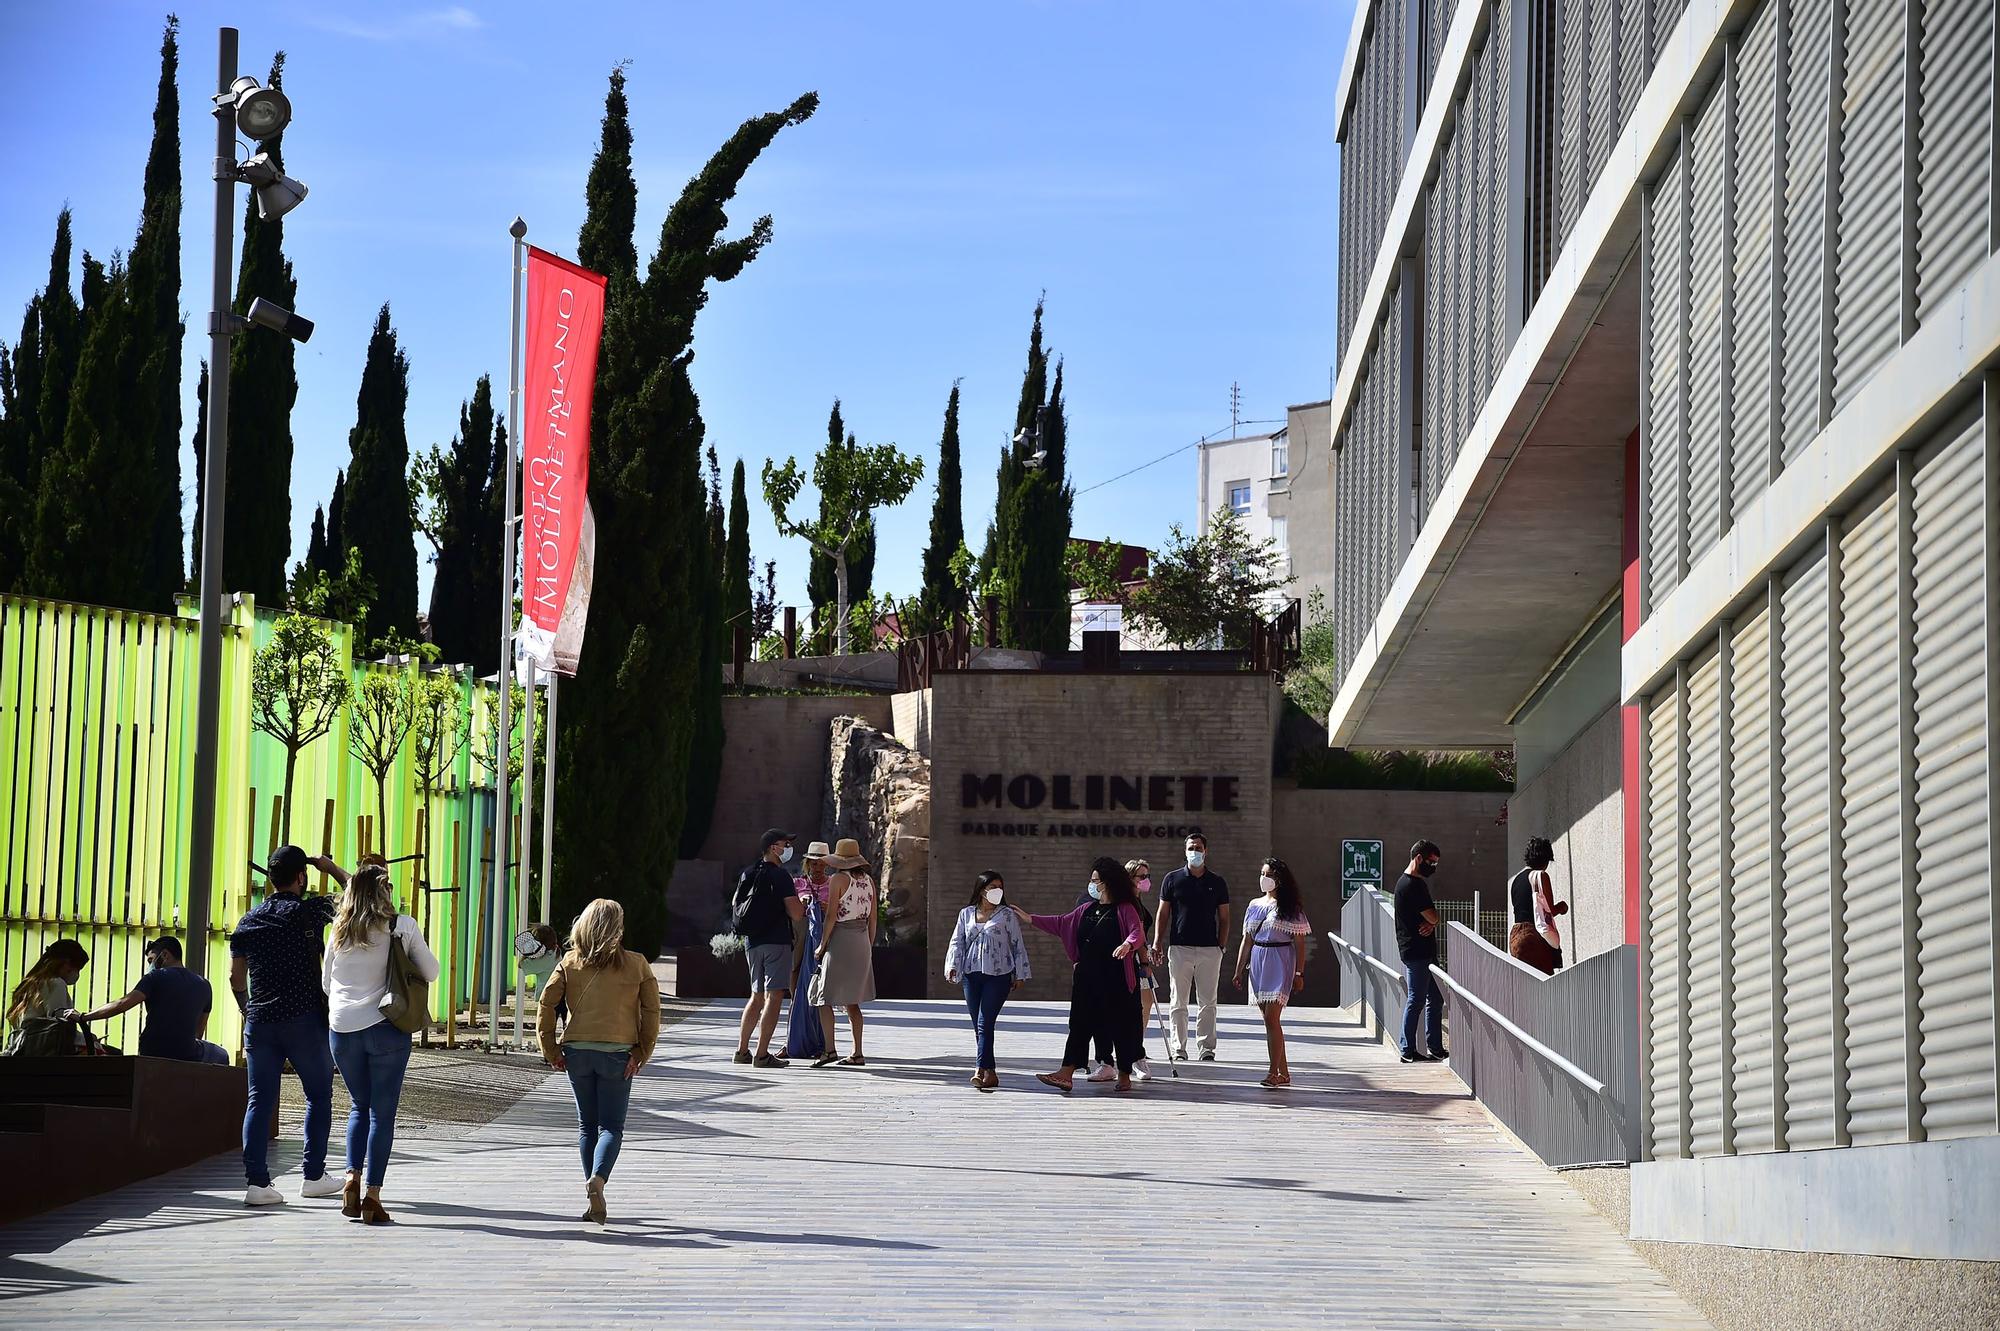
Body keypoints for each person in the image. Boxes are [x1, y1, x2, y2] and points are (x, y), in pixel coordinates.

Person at [322, 863, 441, 1225]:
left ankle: (350, 1179)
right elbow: (432, 971)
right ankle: (373, 1194)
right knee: (382, 1113)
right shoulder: (400, 926)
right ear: (384, 890)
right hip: (386, 1027)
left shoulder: (338, 931)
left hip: (341, 1030)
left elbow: (327, 982)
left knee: (359, 1105)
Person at [231, 845, 346, 1207]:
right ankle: (312, 1176)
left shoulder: (248, 921)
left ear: (270, 878)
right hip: (304, 1020)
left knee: (258, 1101)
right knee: (318, 1095)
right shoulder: (309, 911)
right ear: (301, 877)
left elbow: (235, 978)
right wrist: (330, 867)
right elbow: (356, 897)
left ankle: (258, 1184)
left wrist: (247, 1012)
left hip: (261, 1021)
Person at [537, 898, 660, 1225]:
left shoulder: (569, 963)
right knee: (612, 1127)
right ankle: (599, 1181)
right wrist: (641, 1052)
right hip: (618, 1054)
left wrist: (550, 1049)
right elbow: (651, 1011)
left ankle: (592, 1196)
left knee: (586, 1126)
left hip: (577, 1052)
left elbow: (546, 1005)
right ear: (617, 929)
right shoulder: (637, 964)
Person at [1019, 857, 1148, 1094]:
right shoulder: (1086, 909)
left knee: (1121, 1026)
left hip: (1116, 978)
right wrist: (1030, 919)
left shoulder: (1125, 908)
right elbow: (1060, 923)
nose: (1092, 884)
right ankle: (1066, 1073)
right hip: (1087, 977)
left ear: (1106, 882)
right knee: (1079, 1025)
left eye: (1095, 880)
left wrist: (1127, 946)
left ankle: (1124, 1074)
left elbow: (1136, 932)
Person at [71, 936, 228, 1064]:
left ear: (165, 955)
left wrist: (84, 1017)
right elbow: (198, 1032)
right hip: (187, 1053)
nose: (150, 965)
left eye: (151, 960)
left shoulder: (155, 977)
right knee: (221, 1055)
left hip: (153, 1050)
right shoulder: (204, 984)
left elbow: (122, 1004)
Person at [1073, 860, 1162, 1081]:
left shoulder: (1137, 906)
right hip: (1110, 965)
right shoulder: (1114, 904)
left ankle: (1135, 1055)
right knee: (1106, 1014)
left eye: (1146, 876)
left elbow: (1139, 936)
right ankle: (1106, 1061)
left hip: (1132, 960)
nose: (1145, 881)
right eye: (1141, 876)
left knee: (1139, 1011)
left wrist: (1144, 963)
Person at [944, 871, 1032, 1090]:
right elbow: (957, 942)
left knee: (985, 1022)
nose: (997, 891)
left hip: (999, 975)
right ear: (982, 889)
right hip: (972, 974)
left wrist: (1020, 973)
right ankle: (990, 1072)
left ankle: (979, 1070)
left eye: (1000, 886)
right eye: (993, 886)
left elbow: (1017, 944)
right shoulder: (966, 914)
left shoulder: (1007, 914)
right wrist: (953, 966)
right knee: (979, 1025)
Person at [1233, 858, 1311, 1087]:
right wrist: (1239, 970)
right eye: (1261, 873)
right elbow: (1246, 940)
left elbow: (1300, 944)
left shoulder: (1290, 908)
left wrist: (1299, 973)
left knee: (1271, 1017)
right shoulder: (1254, 905)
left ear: (1278, 879)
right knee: (1270, 1023)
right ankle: (1284, 1073)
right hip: (1258, 960)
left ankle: (1273, 1072)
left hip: (1280, 960)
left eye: (1267, 874)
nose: (1263, 878)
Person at [1155, 830, 1231, 1061]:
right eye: (1191, 848)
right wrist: (1157, 941)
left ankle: (1206, 1048)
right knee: (1178, 1001)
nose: (1194, 852)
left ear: (1205, 851)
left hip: (1209, 949)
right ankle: (1179, 1049)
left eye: (1198, 848)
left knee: (1208, 1002)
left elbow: (1225, 917)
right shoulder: (1172, 879)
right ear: (1185, 850)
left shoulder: (1217, 882)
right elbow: (1163, 912)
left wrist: (1221, 946)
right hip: (1180, 948)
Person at [733, 828, 807, 1068]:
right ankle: (762, 1054)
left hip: (752, 942)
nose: (788, 848)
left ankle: (742, 1051)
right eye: (785, 844)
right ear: (774, 847)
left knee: (756, 996)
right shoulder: (780, 876)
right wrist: (803, 903)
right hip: (776, 941)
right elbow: (796, 914)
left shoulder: (748, 873)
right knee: (775, 996)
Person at [809, 837, 878, 1066]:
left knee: (823, 996)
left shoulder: (838, 878)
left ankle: (829, 1049)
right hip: (861, 940)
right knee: (852, 1001)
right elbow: (873, 918)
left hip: (841, 938)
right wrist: (869, 943)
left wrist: (822, 944)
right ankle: (858, 1052)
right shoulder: (868, 880)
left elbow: (831, 916)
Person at [1394, 840, 1448, 1064]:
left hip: (1420, 949)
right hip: (1417, 951)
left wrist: (1432, 923)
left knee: (1435, 998)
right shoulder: (1413, 885)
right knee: (1417, 999)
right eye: (1431, 862)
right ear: (1418, 858)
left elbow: (1430, 920)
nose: (1433, 867)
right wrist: (1433, 922)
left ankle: (1434, 1047)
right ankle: (1407, 1049)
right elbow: (1433, 916)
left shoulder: (1404, 883)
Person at [783, 841, 832, 1060]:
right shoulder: (797, 884)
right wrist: (801, 904)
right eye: (814, 863)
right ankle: (794, 1035)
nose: (818, 867)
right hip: (800, 939)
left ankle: (822, 1041)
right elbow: (788, 909)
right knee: (797, 985)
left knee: (822, 990)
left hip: (824, 942)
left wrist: (826, 908)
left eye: (821, 863)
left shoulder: (834, 885)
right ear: (808, 864)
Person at [4, 939, 90, 1055]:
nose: (77, 974)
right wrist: (88, 1038)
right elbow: (59, 1026)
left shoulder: (30, 984)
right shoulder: (55, 983)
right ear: (66, 963)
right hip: (46, 1055)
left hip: (24, 1052)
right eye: (77, 968)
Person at [1507, 837, 1568, 976]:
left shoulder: (1517, 879)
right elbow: (1550, 909)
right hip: (1533, 935)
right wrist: (1562, 907)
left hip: (1516, 936)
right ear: (1546, 860)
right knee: (1544, 981)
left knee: (1526, 982)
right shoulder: (1541, 875)